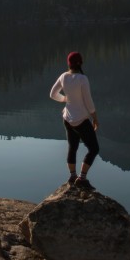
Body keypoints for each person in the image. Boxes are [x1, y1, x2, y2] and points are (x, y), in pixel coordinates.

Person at [49, 51, 99, 189]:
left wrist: (64, 98)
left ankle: (72, 176)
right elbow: (88, 102)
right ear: (80, 63)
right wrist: (95, 118)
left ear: (69, 64)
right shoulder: (82, 79)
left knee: (73, 147)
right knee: (94, 149)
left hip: (67, 119)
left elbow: (52, 94)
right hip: (81, 120)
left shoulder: (63, 76)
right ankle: (82, 179)